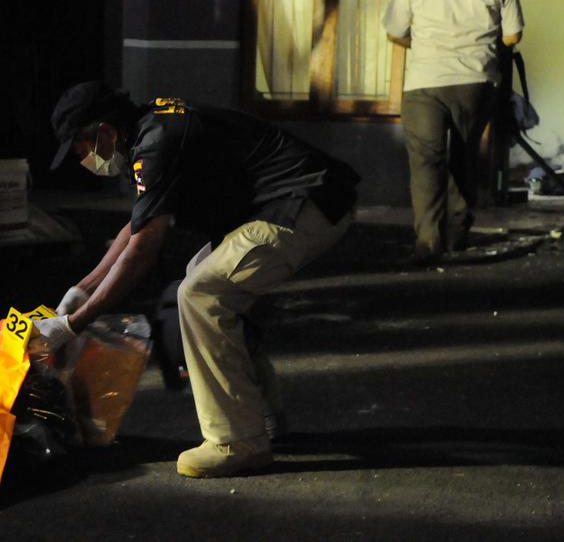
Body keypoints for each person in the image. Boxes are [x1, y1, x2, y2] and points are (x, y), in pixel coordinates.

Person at [37, 82, 360, 478]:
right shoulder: (150, 130)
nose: (83, 158)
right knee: (198, 283)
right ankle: (261, 413)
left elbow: (142, 250)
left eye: (80, 148)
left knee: (202, 295)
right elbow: (138, 224)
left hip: (303, 202)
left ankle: (237, 441)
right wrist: (80, 291)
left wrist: (74, 323)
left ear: (104, 132)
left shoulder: (158, 141)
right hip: (291, 201)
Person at [383, 0, 524, 264]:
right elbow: (512, 36)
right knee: (464, 157)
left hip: (424, 82)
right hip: (475, 81)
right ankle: (458, 231)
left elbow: (396, 31)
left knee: (426, 160)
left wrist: (427, 45)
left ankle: (427, 242)